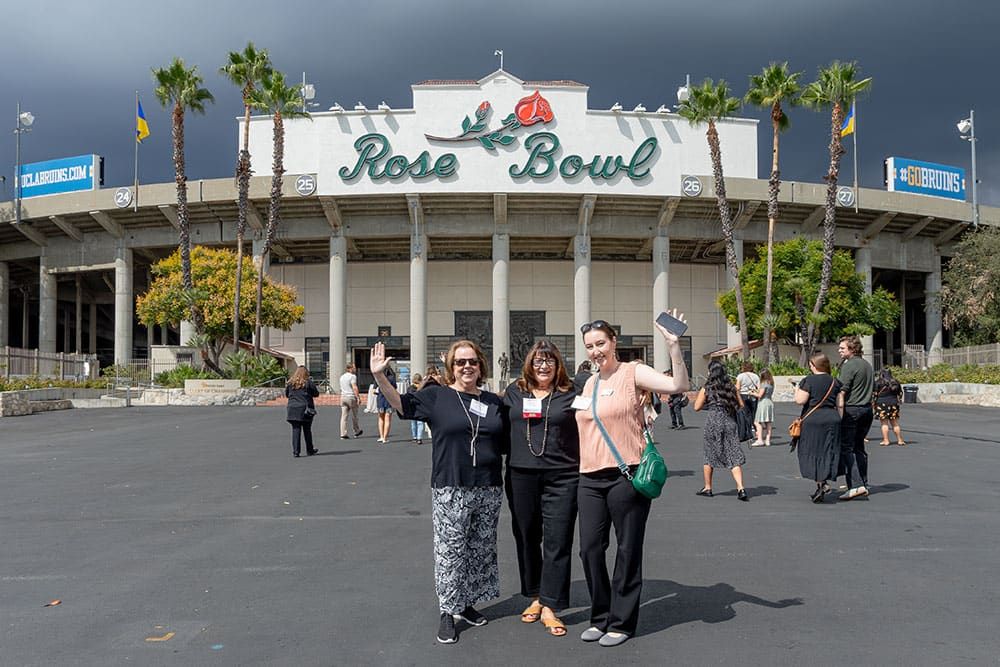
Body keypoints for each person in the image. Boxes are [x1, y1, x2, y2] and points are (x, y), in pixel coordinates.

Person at [370, 340, 506, 645]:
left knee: (479, 550)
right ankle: (448, 610)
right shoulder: (437, 396)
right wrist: (379, 376)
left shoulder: (492, 401)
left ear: (481, 365)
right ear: (451, 367)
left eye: (472, 361)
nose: (467, 367)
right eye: (460, 362)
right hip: (451, 486)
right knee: (450, 552)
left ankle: (466, 603)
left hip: (488, 486)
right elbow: (402, 405)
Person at [575, 313, 690, 647]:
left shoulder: (633, 372)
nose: (595, 351)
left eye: (600, 343)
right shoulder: (589, 383)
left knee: (627, 548)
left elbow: (678, 386)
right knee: (589, 549)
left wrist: (673, 346)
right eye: (590, 346)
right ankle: (600, 616)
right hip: (589, 477)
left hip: (626, 474)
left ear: (613, 342)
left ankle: (621, 622)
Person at [502, 340, 580, 639]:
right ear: (529, 364)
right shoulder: (515, 391)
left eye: (549, 361)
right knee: (526, 536)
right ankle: (535, 594)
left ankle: (551, 605)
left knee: (558, 539)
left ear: (558, 364)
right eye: (538, 361)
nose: (543, 366)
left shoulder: (572, 393)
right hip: (521, 475)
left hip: (563, 476)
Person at [692, 360, 749, 501]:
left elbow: (696, 407)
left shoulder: (707, 388)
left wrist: (710, 404)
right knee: (733, 454)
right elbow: (741, 405)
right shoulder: (731, 388)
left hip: (713, 422)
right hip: (729, 421)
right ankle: (741, 488)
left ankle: (708, 487)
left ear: (711, 372)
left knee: (709, 454)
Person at [793, 352, 844, 503]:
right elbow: (840, 404)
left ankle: (821, 483)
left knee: (812, 451)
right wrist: (838, 419)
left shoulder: (809, 380)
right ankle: (822, 483)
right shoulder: (835, 382)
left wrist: (796, 389)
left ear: (813, 365)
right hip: (832, 419)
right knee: (828, 450)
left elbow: (800, 400)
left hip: (813, 421)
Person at [837, 335, 875, 500]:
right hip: (867, 409)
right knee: (859, 447)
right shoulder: (867, 365)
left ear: (852, 349)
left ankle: (856, 485)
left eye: (842, 348)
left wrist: (839, 412)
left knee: (847, 448)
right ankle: (863, 482)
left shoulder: (849, 365)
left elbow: (841, 390)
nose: (839, 351)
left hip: (852, 410)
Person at [285, 365, 319, 458]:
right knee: (307, 430)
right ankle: (310, 450)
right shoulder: (308, 383)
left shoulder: (290, 383)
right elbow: (316, 394)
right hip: (305, 409)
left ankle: (296, 451)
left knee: (295, 430)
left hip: (292, 408)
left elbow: (287, 395)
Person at [873, 368, 906, 446]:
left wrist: (874, 403)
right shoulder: (896, 382)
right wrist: (898, 400)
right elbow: (900, 393)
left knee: (884, 424)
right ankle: (900, 440)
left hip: (882, 404)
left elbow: (874, 394)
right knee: (895, 423)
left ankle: (886, 440)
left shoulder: (878, 382)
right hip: (894, 403)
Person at [339, 363, 363, 439]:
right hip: (351, 397)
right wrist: (358, 397)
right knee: (354, 415)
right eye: (354, 368)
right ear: (350, 369)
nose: (355, 369)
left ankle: (343, 433)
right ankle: (356, 431)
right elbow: (354, 387)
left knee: (344, 416)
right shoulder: (352, 376)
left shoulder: (342, 377)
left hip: (343, 397)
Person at [752, 369, 775, 447]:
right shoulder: (771, 383)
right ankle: (768, 440)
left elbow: (760, 395)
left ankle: (760, 440)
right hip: (769, 402)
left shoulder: (764, 383)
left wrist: (752, 393)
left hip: (763, 403)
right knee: (768, 422)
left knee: (757, 422)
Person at [735, 361, 760, 429]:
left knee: (744, 412)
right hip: (753, 395)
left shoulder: (740, 376)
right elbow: (759, 388)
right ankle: (752, 425)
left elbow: (737, 388)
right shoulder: (756, 376)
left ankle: (745, 426)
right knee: (753, 411)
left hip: (743, 395)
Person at [376, 366, 397, 443]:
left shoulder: (380, 377)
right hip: (389, 398)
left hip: (381, 398)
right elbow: (395, 387)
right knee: (388, 418)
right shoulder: (392, 378)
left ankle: (381, 436)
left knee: (380, 418)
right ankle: (385, 438)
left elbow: (375, 387)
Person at [408, 373, 426, 444]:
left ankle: (414, 437)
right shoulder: (423, 388)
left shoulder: (410, 388)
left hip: (413, 407)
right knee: (420, 423)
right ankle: (419, 438)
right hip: (421, 407)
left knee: (413, 423)